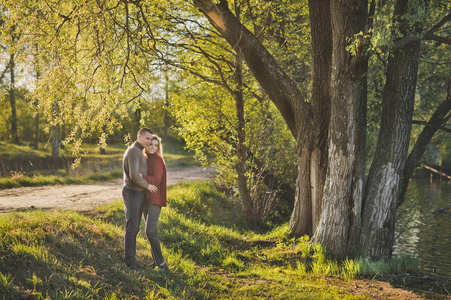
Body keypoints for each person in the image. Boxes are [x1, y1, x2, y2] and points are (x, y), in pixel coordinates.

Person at [122, 127, 158, 270]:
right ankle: (129, 261)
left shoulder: (139, 151)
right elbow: (134, 174)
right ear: (139, 136)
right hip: (132, 193)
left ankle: (133, 260)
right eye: (147, 138)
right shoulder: (133, 151)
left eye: (151, 139)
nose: (149, 141)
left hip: (138, 193)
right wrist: (147, 185)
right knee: (132, 226)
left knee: (135, 227)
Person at [142, 134, 168, 270]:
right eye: (151, 144)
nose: (152, 147)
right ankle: (155, 261)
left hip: (155, 200)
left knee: (150, 231)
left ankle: (162, 263)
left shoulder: (157, 160)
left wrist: (140, 176)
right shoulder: (146, 158)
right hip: (146, 199)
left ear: (158, 147)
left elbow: (156, 180)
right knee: (151, 231)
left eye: (155, 145)